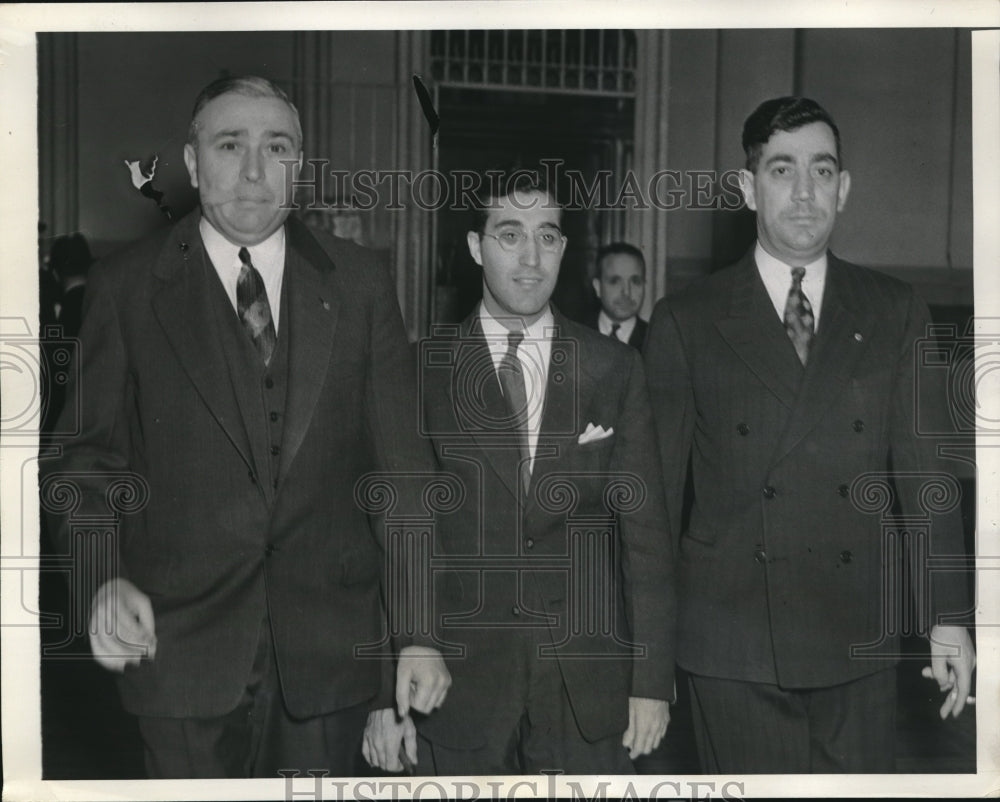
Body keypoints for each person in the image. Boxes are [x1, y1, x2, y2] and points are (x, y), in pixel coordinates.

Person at [41, 75, 448, 779]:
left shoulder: (361, 283)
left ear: (299, 166)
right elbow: (83, 462)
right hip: (177, 653)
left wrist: (416, 632)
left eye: (277, 147)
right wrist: (101, 577)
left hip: (330, 661)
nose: (255, 170)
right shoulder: (127, 287)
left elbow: (403, 476)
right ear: (194, 165)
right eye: (231, 145)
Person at [643, 96, 975, 773]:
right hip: (731, 647)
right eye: (782, 170)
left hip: (856, 637)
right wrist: (650, 666)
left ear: (844, 189)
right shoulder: (686, 320)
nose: (803, 193)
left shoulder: (894, 309)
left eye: (821, 173)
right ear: (747, 187)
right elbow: (651, 505)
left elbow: (926, 478)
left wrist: (948, 615)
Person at [366, 170, 675, 775]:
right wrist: (386, 693)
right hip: (451, 687)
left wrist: (652, 679)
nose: (532, 258)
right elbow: (396, 534)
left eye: (549, 237)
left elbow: (647, 538)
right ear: (477, 248)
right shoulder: (418, 374)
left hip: (587, 690)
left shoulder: (615, 369)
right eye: (510, 235)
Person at [586, 242, 649, 352]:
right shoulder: (574, 334)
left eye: (635, 281)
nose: (626, 292)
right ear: (598, 288)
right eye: (615, 281)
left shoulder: (656, 339)